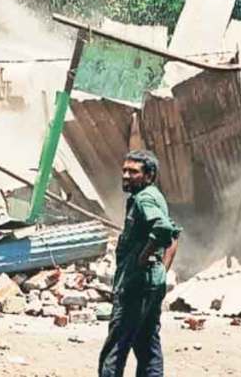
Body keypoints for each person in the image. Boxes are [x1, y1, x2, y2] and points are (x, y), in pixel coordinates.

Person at [98, 149, 181, 377]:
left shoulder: (145, 199)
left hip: (137, 284)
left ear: (149, 175)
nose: (125, 175)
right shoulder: (153, 196)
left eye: (133, 172)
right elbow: (174, 234)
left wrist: (144, 257)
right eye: (124, 170)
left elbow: (164, 230)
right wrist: (161, 269)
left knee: (116, 348)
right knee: (147, 346)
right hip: (151, 282)